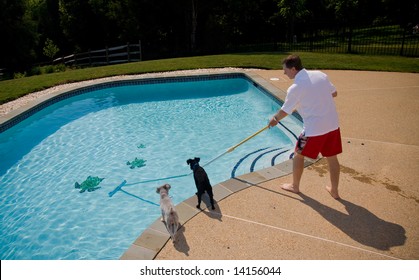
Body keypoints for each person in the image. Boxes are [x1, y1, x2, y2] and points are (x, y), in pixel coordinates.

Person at [268, 54, 342, 199]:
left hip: (314, 130)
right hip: (332, 124)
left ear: (293, 69)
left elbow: (285, 111)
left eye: (285, 70)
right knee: (332, 158)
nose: (284, 73)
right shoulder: (320, 75)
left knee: (298, 155)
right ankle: (334, 190)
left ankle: (295, 186)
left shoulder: (295, 88)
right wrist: (311, 101)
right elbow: (334, 93)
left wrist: (274, 119)